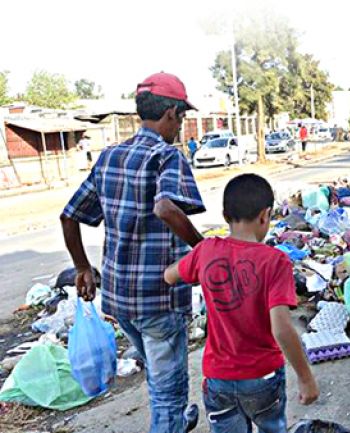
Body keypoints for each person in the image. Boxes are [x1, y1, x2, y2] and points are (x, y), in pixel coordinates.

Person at [60, 72, 205, 433]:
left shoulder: (109, 157)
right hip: (159, 300)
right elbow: (167, 208)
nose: (181, 126)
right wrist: (207, 251)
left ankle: (175, 419)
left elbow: (69, 215)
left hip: (121, 299)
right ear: (171, 113)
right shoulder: (166, 157)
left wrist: (83, 267)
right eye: (182, 117)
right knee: (168, 391)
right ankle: (170, 421)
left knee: (160, 376)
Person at [164, 174, 319, 433]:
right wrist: (306, 378)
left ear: (225, 216)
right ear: (265, 215)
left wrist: (197, 265)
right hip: (262, 377)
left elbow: (169, 276)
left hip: (218, 378)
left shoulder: (206, 250)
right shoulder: (275, 261)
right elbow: (281, 328)